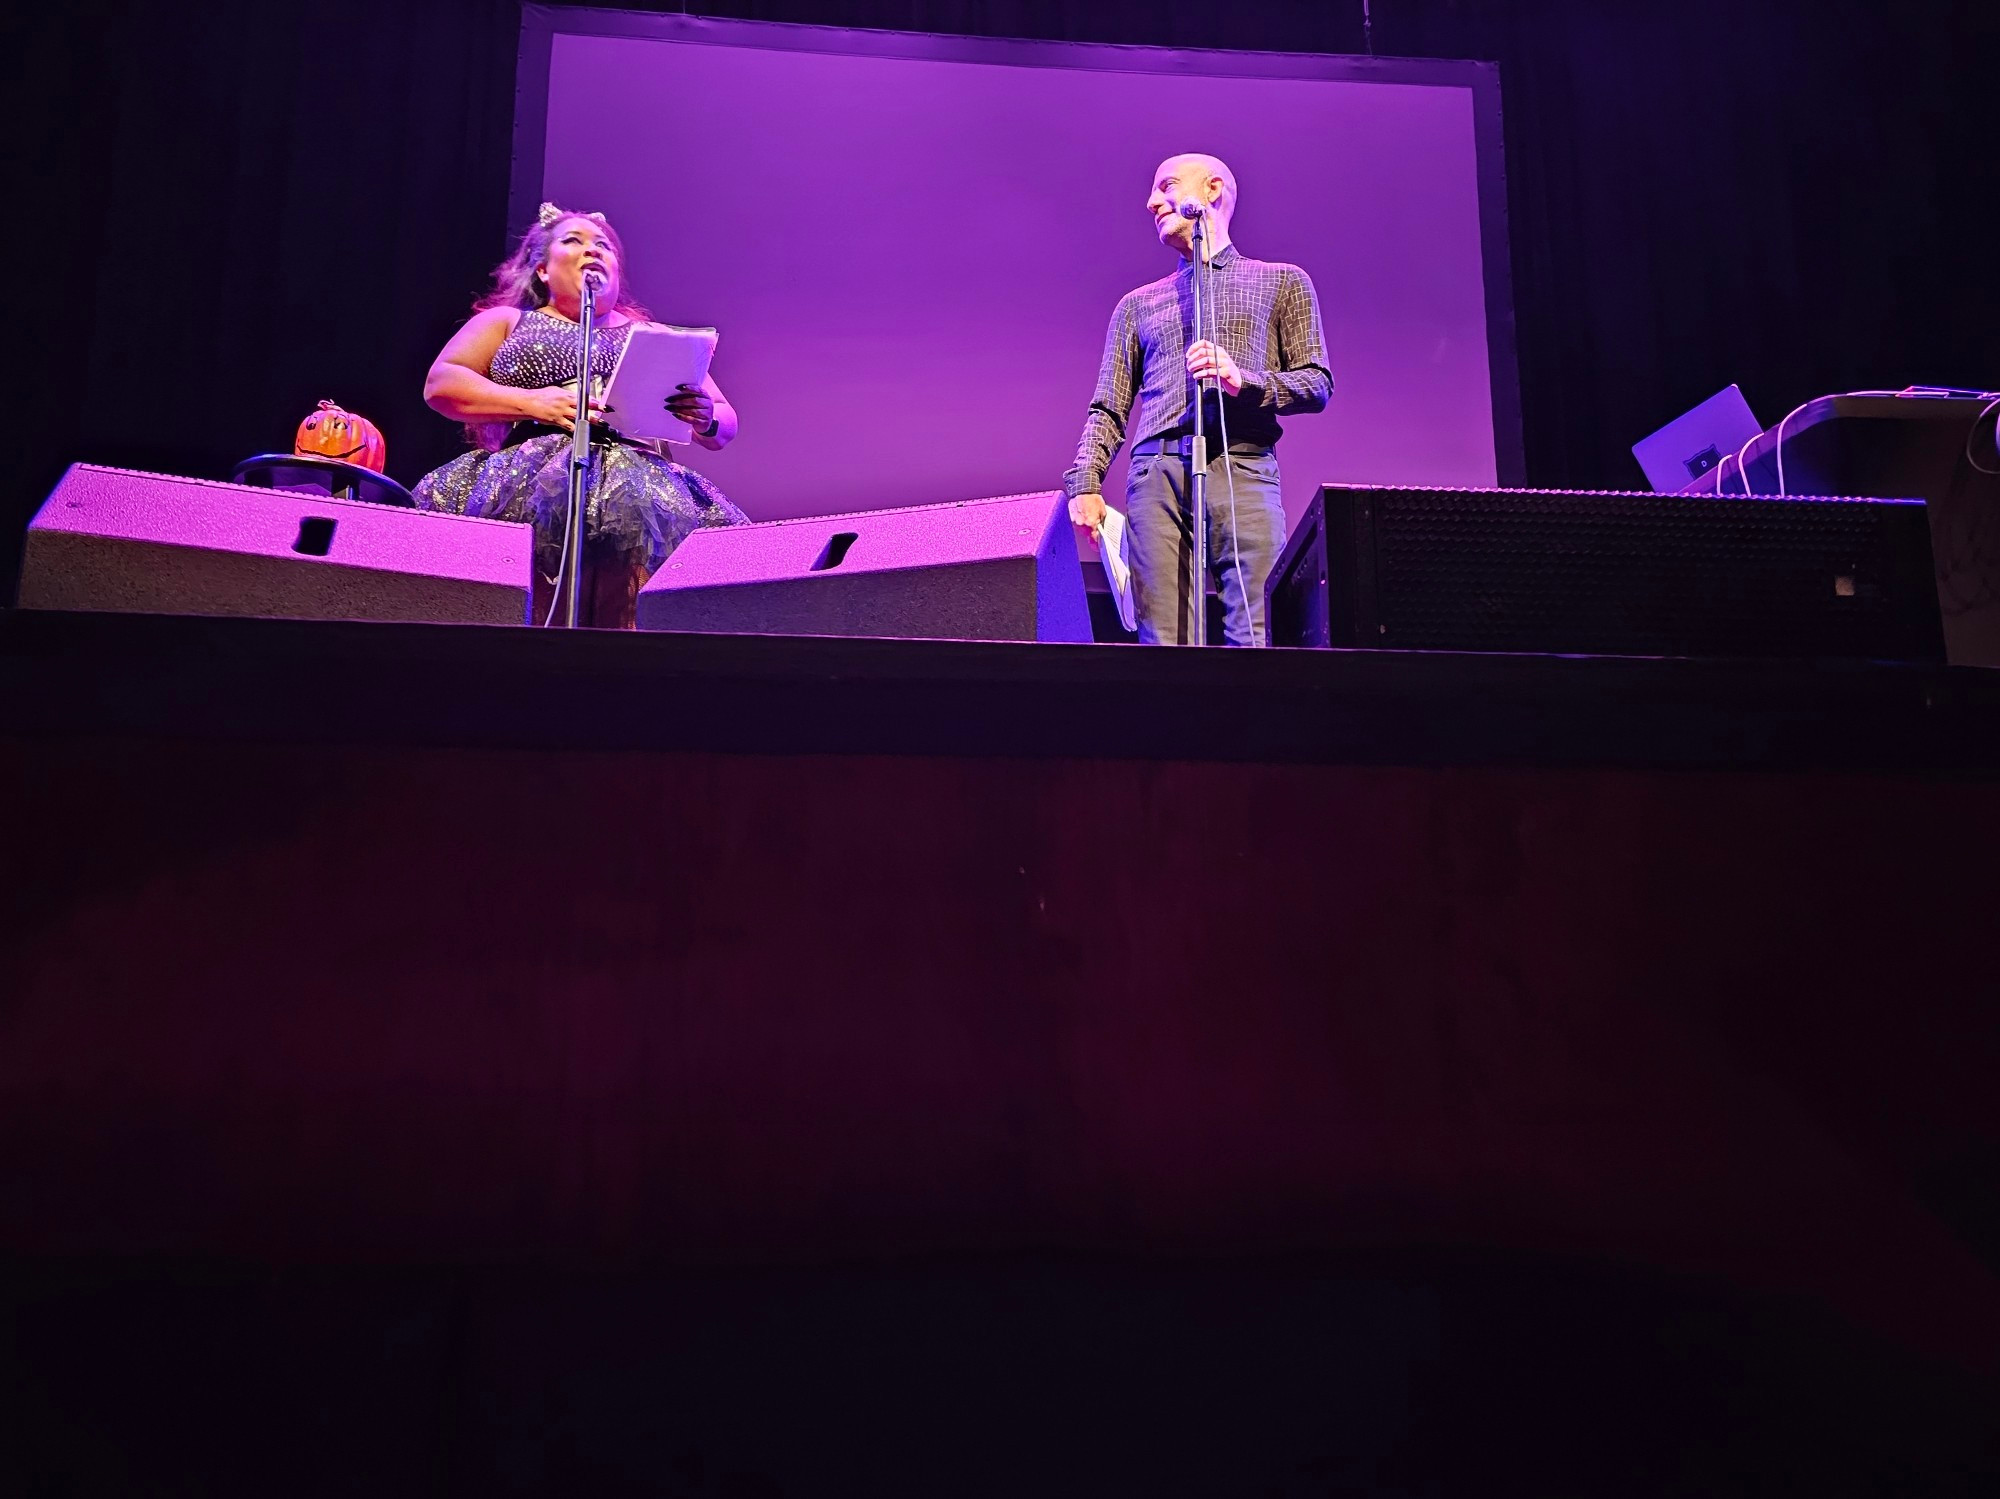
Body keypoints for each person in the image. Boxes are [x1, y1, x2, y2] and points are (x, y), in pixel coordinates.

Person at [414, 202, 748, 627]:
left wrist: (705, 416)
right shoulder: (509, 322)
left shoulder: (650, 335)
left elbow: (724, 423)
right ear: (541, 270)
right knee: (528, 599)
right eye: (573, 241)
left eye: (603, 246)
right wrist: (533, 402)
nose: (593, 250)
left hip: (636, 488)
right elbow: (442, 384)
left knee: (625, 605)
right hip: (530, 476)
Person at [1063, 154, 1332, 646]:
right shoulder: (1138, 304)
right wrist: (1085, 483)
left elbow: (1316, 383)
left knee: (1254, 635)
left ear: (1211, 191)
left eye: (1165, 186)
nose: (1150, 202)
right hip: (1157, 475)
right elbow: (1108, 407)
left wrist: (1243, 380)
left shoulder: (1282, 281)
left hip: (1244, 466)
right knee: (1165, 643)